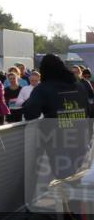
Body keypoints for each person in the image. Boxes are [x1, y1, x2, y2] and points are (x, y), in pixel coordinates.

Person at [23, 54, 94, 183]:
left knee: (66, 181)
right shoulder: (79, 86)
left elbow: (30, 113)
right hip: (81, 138)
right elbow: (89, 111)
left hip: (58, 140)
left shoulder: (43, 88)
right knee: (78, 179)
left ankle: (74, 202)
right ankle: (78, 202)